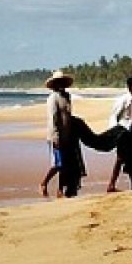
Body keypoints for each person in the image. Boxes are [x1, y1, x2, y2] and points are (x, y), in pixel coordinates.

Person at [41, 70, 82, 198]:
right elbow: (53, 119)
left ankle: (60, 190)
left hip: (68, 136)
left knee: (66, 165)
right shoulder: (53, 99)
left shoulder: (67, 96)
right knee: (58, 164)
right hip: (56, 136)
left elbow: (68, 116)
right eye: (59, 82)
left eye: (62, 82)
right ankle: (44, 183)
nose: (61, 84)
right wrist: (56, 137)